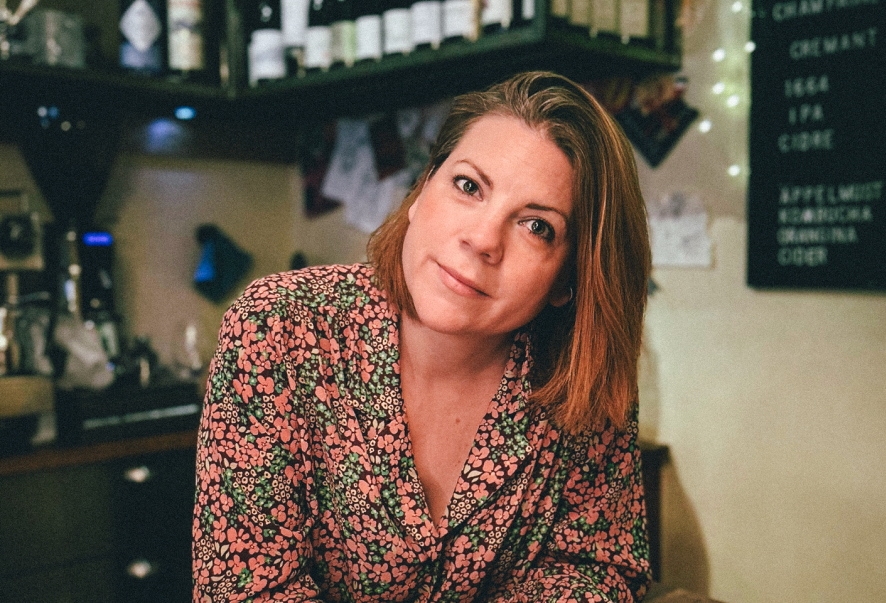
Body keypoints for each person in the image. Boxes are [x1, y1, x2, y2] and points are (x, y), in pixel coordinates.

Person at [192, 71, 653, 603]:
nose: (482, 239)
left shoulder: (579, 374)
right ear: (422, 190)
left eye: (536, 226)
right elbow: (246, 589)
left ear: (567, 280)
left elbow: (595, 566)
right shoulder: (278, 326)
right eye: (469, 186)